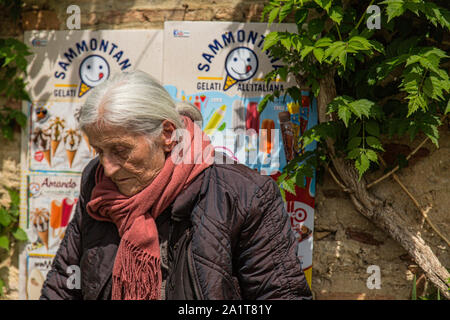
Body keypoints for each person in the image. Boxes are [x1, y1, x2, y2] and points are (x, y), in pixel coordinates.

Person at [40, 70, 312, 300]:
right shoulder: (96, 181)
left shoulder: (242, 194)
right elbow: (63, 285)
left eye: (120, 150)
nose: (107, 168)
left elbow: (280, 295)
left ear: (167, 135)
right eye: (99, 151)